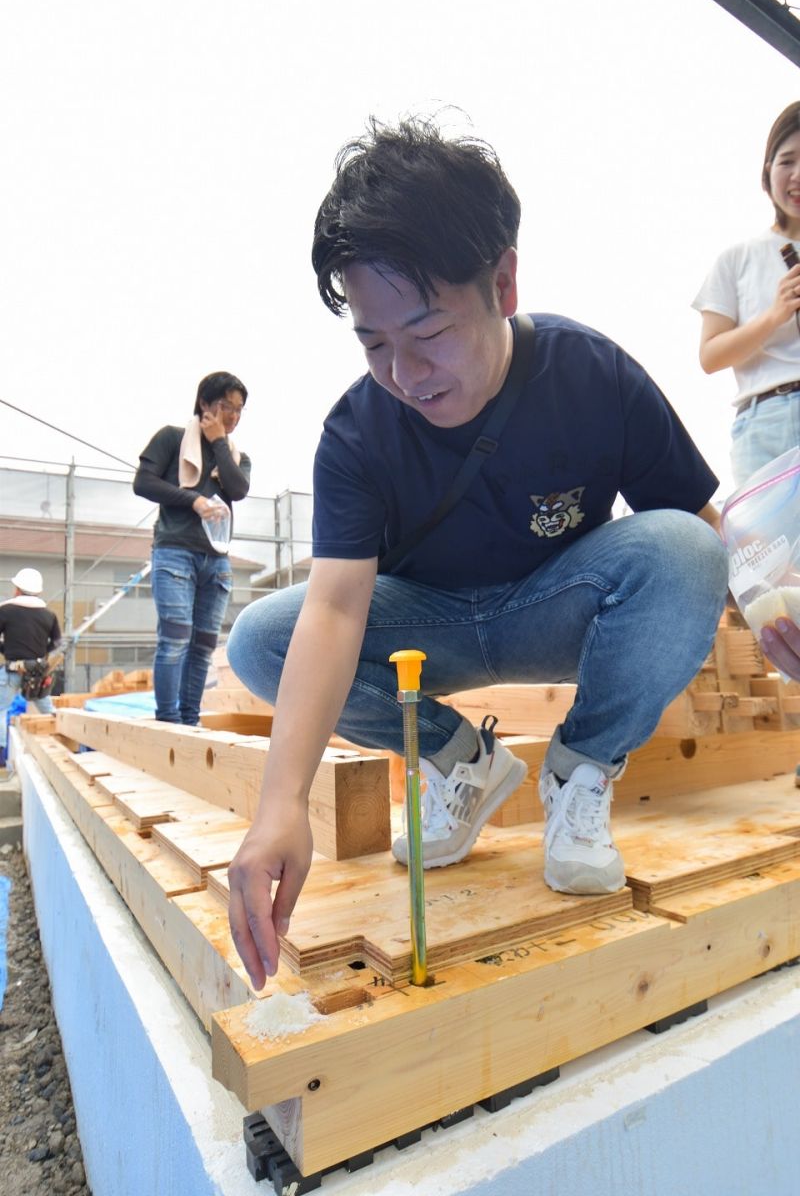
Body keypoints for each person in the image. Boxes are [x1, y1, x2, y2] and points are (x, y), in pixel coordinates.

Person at [226, 118, 729, 989]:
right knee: (262, 636)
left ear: (501, 281)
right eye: (374, 344)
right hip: (432, 628)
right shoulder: (355, 433)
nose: (405, 374)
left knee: (685, 549)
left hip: (557, 605)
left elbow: (701, 526)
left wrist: (771, 603)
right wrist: (278, 808)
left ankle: (580, 775)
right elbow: (338, 608)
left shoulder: (593, 374)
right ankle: (461, 765)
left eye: (427, 333)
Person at [693, 101, 800, 680]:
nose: (798, 176)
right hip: (767, 418)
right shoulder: (737, 259)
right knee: (780, 581)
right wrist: (775, 316)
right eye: (788, 160)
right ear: (767, 171)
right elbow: (711, 355)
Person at [133, 371, 251, 725]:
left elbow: (238, 488)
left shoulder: (235, 455)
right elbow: (143, 482)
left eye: (239, 410)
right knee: (174, 638)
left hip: (216, 560)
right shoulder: (171, 439)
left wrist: (217, 442)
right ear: (204, 404)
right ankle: (168, 722)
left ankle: (190, 720)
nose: (232, 415)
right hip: (174, 552)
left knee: (202, 646)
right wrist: (194, 500)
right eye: (225, 406)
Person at [0, 568, 61, 767]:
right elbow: (57, 642)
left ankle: (1, 760)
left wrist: (5, 649)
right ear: (38, 591)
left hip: (12, 670)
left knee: (1, 710)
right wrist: (41, 654)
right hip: (37, 672)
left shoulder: (6, 610)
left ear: (18, 589)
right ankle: (60, 742)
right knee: (46, 708)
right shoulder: (48, 615)